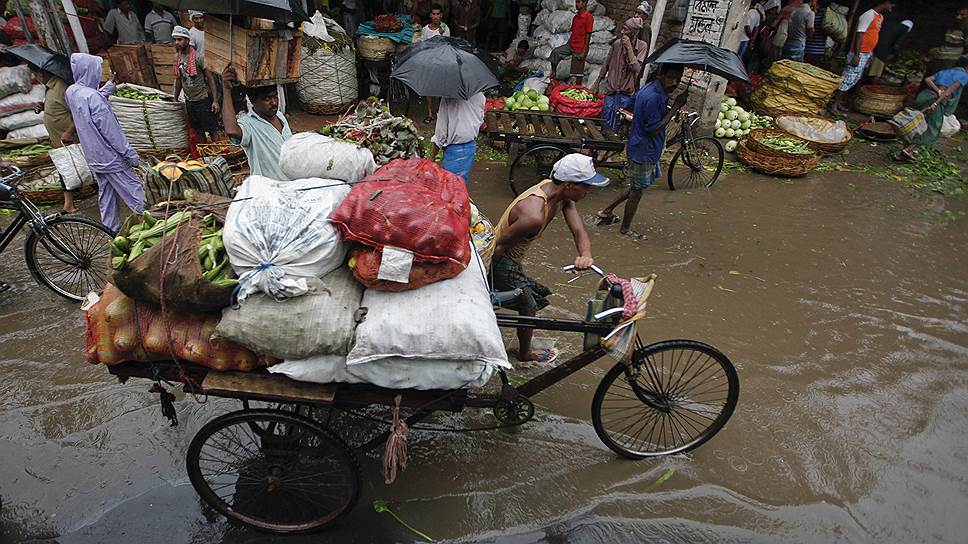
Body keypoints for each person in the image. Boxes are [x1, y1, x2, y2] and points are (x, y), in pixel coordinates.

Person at [492, 153, 608, 363]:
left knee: (528, 298)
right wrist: (488, 280)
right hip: (502, 260)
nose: (589, 191)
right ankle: (525, 355)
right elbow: (498, 247)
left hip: (512, 259)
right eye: (586, 186)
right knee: (528, 304)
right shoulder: (533, 215)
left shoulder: (560, 195)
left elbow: (579, 231)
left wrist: (586, 254)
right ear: (570, 185)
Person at [595, 63, 686, 238]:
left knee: (638, 185)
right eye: (671, 77)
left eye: (678, 79)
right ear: (661, 73)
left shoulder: (651, 89)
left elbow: (631, 105)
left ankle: (606, 211)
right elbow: (653, 128)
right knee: (637, 191)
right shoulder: (655, 97)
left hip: (642, 145)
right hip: (644, 149)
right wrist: (675, 107)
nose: (674, 82)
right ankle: (624, 230)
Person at [64, 53, 145, 233]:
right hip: (111, 158)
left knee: (107, 198)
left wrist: (108, 88)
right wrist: (130, 155)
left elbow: (89, 102)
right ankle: (152, 229)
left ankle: (110, 232)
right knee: (136, 194)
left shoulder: (72, 92)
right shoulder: (93, 97)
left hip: (94, 158)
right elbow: (112, 133)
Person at [221, 66, 292, 181]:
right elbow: (231, 130)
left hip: (292, 186)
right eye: (267, 99)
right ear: (253, 101)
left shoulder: (280, 116)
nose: (274, 103)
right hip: (269, 190)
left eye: (275, 97)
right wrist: (226, 90)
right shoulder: (249, 124)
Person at [893, 58, 968, 162]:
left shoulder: (946, 71)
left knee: (916, 122)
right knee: (932, 129)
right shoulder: (964, 76)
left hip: (924, 96)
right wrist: (937, 102)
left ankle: (904, 151)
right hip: (934, 101)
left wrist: (937, 90)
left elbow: (927, 80)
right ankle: (908, 150)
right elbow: (948, 91)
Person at [830, 1, 896, 116]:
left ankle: (839, 103)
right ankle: (833, 106)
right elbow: (860, 34)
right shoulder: (868, 15)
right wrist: (857, 54)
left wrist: (870, 53)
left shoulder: (879, 17)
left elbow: (873, 35)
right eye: (891, 4)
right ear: (885, 3)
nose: (892, 7)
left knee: (854, 80)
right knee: (847, 79)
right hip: (858, 53)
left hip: (866, 53)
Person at [30, 63, 76, 214]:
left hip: (70, 140)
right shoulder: (49, 88)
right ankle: (68, 204)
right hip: (59, 141)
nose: (35, 78)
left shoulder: (61, 86)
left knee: (82, 168)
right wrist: (43, 106)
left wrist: (69, 131)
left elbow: (77, 111)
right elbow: (56, 105)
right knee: (65, 170)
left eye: (35, 74)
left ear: (41, 73)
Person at [595, 18, 648, 131]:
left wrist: (629, 48)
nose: (622, 32)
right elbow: (607, 63)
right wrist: (598, 82)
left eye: (626, 30)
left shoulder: (642, 46)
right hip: (612, 90)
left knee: (619, 123)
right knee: (605, 120)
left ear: (633, 33)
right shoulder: (617, 44)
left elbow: (636, 68)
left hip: (626, 93)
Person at [172, 26, 221, 143]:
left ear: (187, 41)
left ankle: (219, 154)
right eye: (175, 40)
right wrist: (175, 98)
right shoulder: (177, 58)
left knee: (212, 129)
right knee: (198, 130)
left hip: (203, 98)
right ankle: (206, 155)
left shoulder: (199, 57)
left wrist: (215, 100)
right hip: (189, 100)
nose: (177, 43)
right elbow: (179, 79)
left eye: (180, 39)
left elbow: (210, 79)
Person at [427, 92, 485, 182]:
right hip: (470, 147)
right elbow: (480, 121)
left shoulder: (448, 97)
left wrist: (432, 157)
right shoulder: (479, 95)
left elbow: (441, 133)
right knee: (460, 185)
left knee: (450, 187)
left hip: (455, 150)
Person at [549, 0, 594, 83]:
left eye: (579, 2)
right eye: (576, 2)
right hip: (571, 44)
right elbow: (573, 32)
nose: (576, 4)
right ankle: (553, 72)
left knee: (577, 73)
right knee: (555, 52)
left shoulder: (589, 17)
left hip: (580, 47)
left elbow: (588, 36)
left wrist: (584, 51)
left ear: (584, 3)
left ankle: (577, 87)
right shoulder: (576, 17)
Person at [803, 0, 829, 68]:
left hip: (807, 49)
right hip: (819, 51)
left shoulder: (812, 15)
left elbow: (808, 31)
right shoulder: (827, 20)